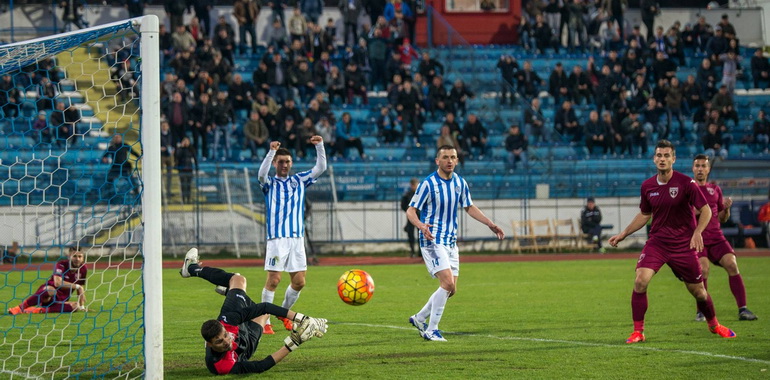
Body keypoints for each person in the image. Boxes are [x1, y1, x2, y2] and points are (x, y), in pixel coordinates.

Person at [608, 140, 736, 344]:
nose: (662, 159)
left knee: (699, 292)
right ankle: (638, 331)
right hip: (658, 243)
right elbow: (644, 214)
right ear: (654, 158)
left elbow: (706, 210)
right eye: (659, 155)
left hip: (683, 246)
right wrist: (624, 234)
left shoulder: (686, 183)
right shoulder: (647, 186)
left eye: (666, 155)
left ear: (673, 159)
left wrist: (698, 232)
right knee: (640, 281)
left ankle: (714, 324)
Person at [406, 145, 505, 341]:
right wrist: (420, 226)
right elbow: (411, 211)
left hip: (451, 241)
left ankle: (419, 318)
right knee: (447, 283)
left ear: (457, 160)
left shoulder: (460, 183)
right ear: (437, 161)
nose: (449, 160)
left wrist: (490, 224)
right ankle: (432, 330)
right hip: (432, 240)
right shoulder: (428, 184)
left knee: (451, 290)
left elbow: (469, 206)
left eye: (453, 157)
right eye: (445, 157)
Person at [179, 248, 328, 375]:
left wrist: (301, 318)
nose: (226, 341)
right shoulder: (219, 366)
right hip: (247, 345)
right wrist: (293, 343)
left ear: (224, 328)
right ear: (210, 345)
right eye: (219, 341)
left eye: (224, 335)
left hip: (235, 323)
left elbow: (264, 305)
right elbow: (260, 366)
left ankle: (191, 268)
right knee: (264, 314)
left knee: (238, 280)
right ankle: (228, 290)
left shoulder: (228, 320)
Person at [258, 137, 326, 334]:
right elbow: (261, 174)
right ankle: (264, 320)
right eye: (280, 161)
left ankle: (283, 313)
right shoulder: (269, 183)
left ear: (291, 163)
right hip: (277, 239)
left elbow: (320, 167)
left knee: (299, 282)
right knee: (274, 280)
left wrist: (319, 146)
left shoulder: (299, 180)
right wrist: (271, 151)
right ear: (274, 163)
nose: (284, 165)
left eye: (287, 161)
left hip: (296, 239)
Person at [691, 154, 758, 321]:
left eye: (703, 166)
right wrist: (697, 211)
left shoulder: (715, 190)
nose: (700, 169)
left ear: (708, 169)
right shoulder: (688, 189)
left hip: (717, 237)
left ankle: (743, 309)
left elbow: (722, 218)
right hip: (699, 239)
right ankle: (702, 311)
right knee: (703, 269)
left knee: (732, 264)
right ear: (693, 169)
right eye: (697, 166)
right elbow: (683, 215)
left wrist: (726, 209)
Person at [8, 246, 87, 314]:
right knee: (50, 290)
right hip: (47, 296)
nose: (77, 259)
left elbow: (80, 290)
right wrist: (77, 286)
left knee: (75, 306)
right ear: (69, 256)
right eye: (75, 256)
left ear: (83, 258)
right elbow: (57, 283)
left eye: (80, 256)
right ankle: (19, 308)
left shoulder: (83, 269)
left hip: (61, 300)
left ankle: (39, 310)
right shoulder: (61, 264)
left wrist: (82, 306)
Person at [400, 178, 419, 258]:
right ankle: (412, 252)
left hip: (420, 217)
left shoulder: (421, 194)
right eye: (413, 185)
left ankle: (421, 253)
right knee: (410, 234)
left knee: (421, 235)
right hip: (411, 218)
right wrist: (409, 212)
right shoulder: (408, 194)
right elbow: (403, 205)